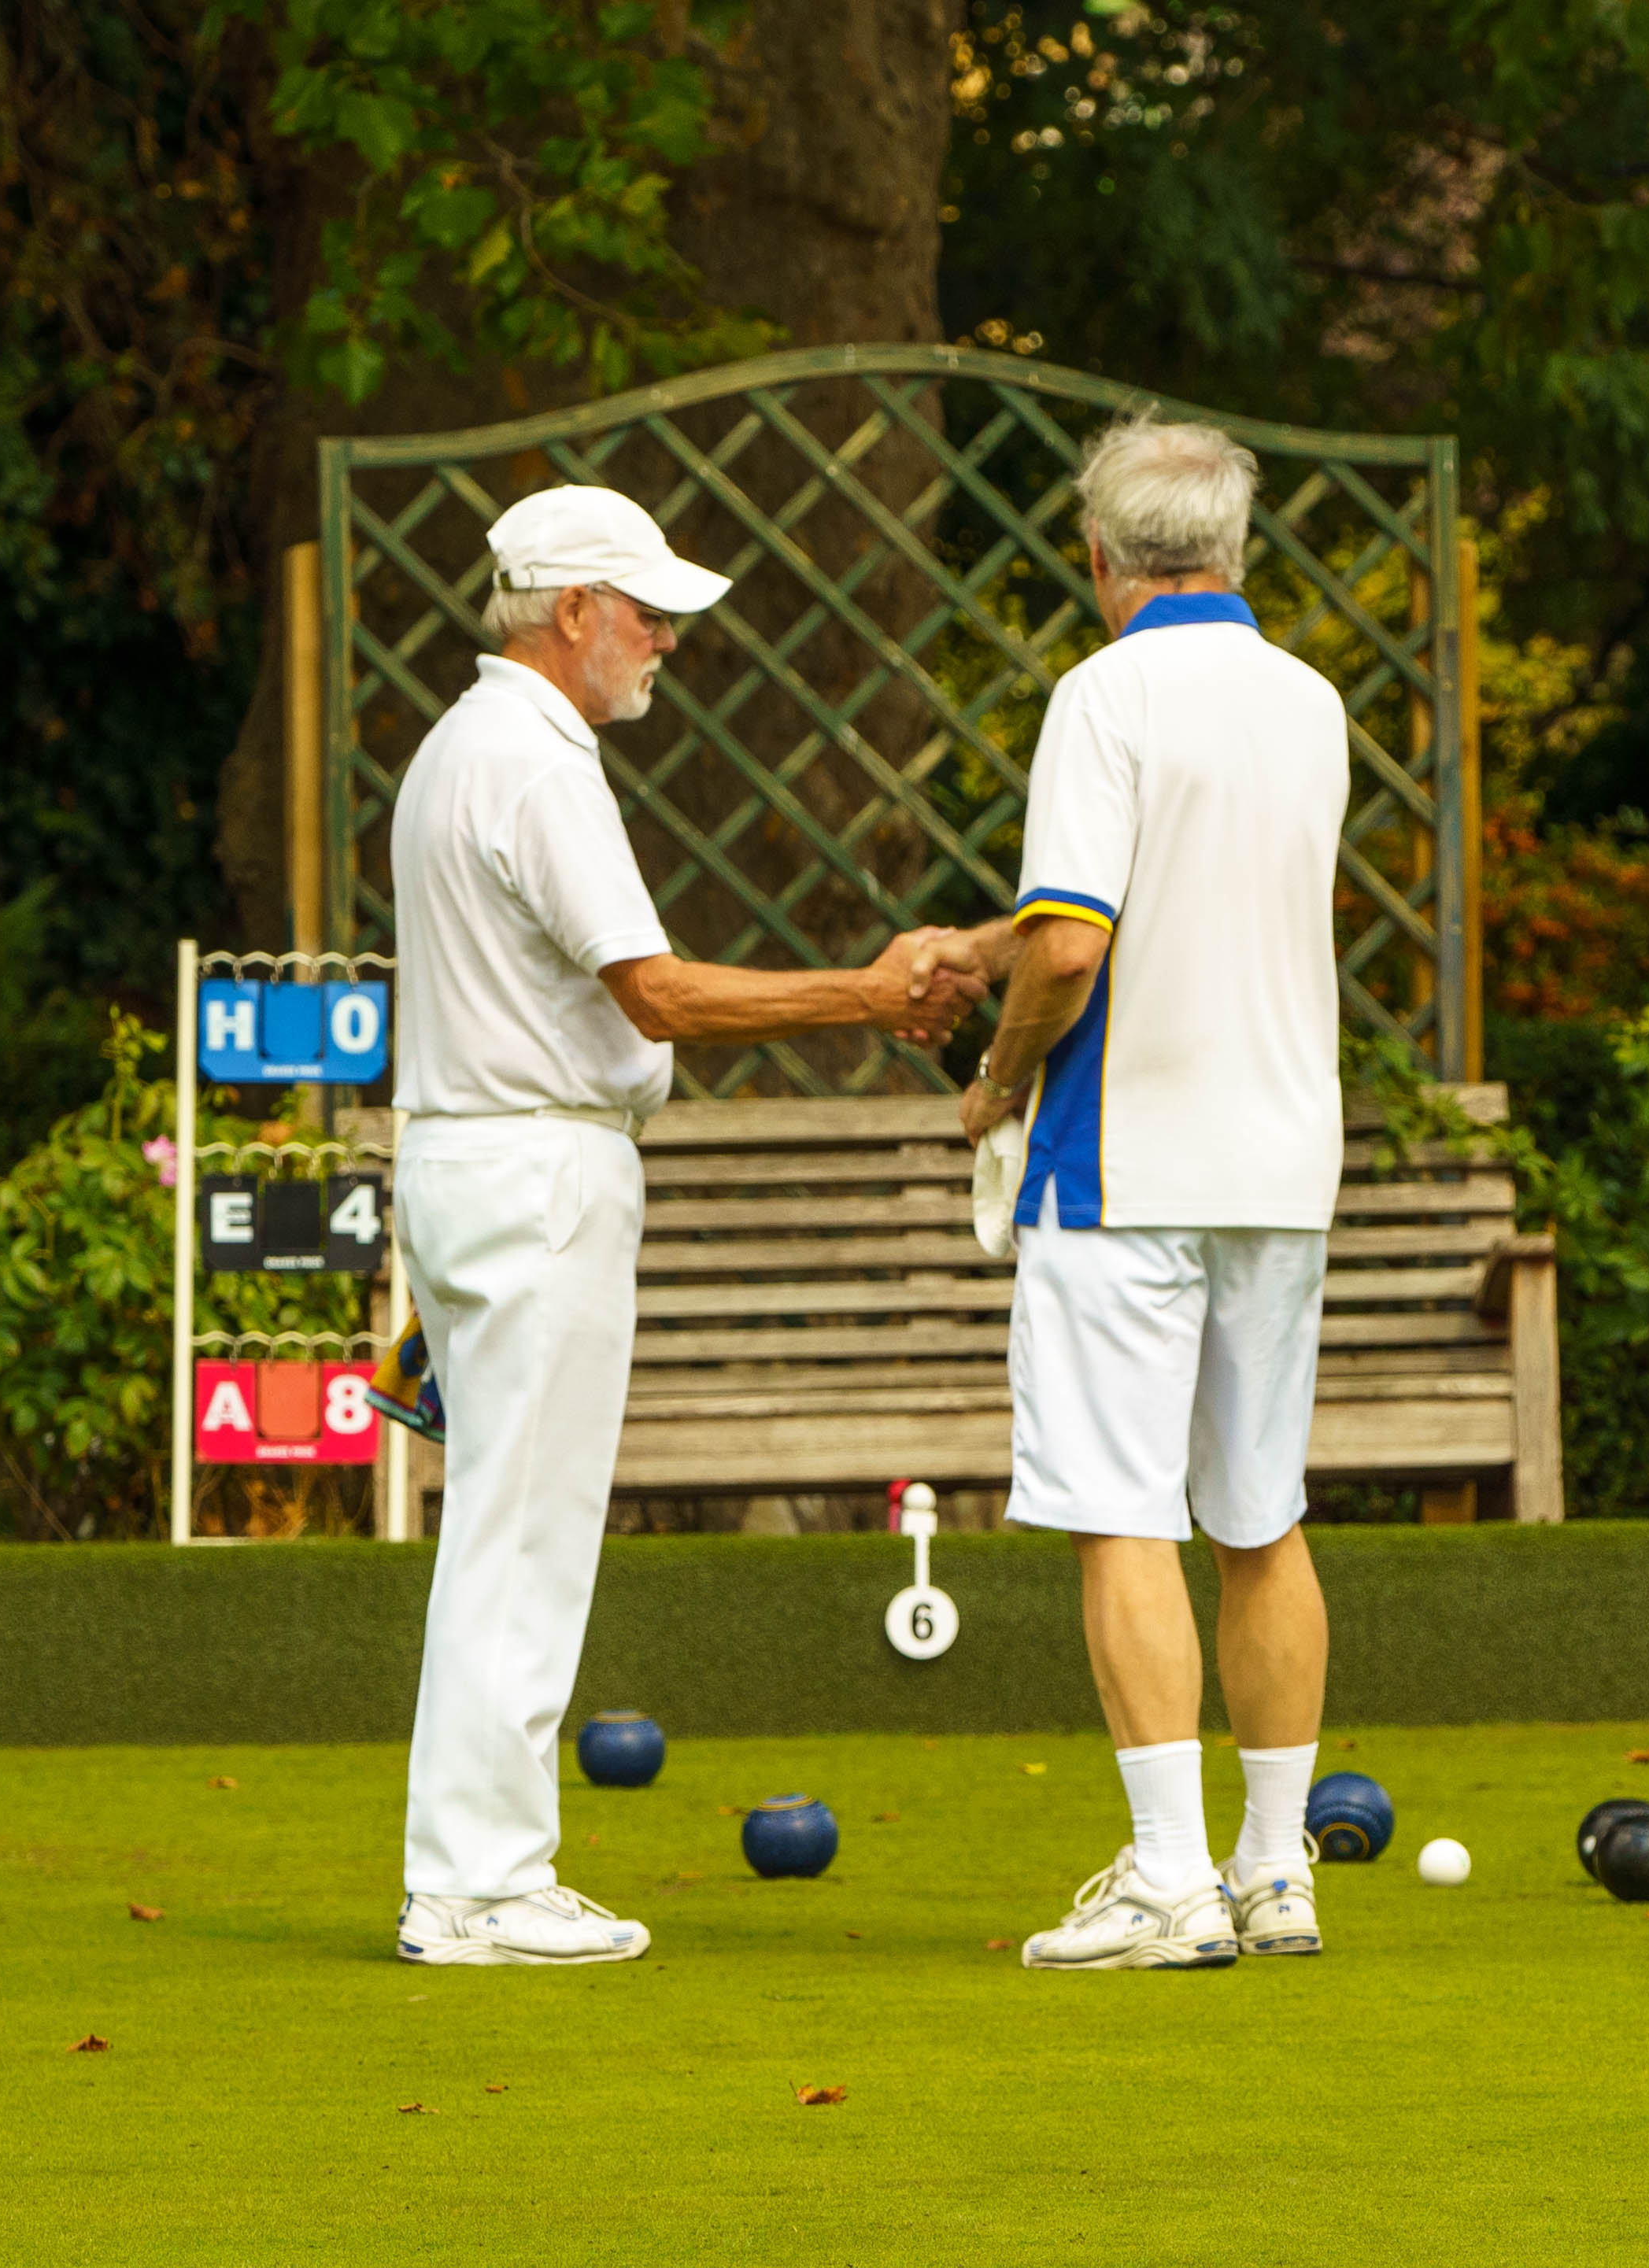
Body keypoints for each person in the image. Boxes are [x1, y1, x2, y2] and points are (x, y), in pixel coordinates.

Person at [388, 484, 985, 1965]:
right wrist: (868, 990)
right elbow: (653, 993)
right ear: (571, 610)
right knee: (524, 1537)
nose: (665, 639)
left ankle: (476, 1871)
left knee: (506, 1531)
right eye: (646, 611)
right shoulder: (535, 764)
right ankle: (477, 1885)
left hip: (486, 1164)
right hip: (535, 1175)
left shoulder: (460, 747)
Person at [912, 417, 1350, 1971]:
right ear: (1234, 551)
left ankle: (1168, 1878)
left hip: (1124, 1164)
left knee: (1117, 1514)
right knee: (1260, 1514)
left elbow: (1084, 941)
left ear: (1094, 558)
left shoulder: (1100, 696)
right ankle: (1272, 1869)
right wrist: (995, 938)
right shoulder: (1309, 702)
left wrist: (998, 1078)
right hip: (1282, 1162)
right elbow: (1152, 900)